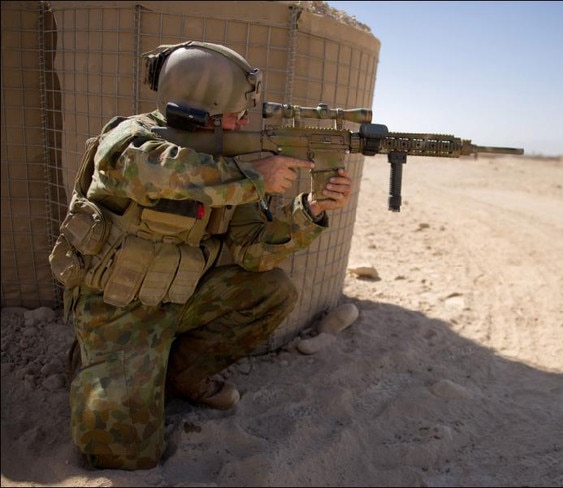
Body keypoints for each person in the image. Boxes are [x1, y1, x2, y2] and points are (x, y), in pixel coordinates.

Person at [49, 41, 353, 470]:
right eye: (234, 113)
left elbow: (252, 253)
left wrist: (312, 210)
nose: (244, 121)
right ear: (195, 110)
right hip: (116, 309)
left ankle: (180, 375)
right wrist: (253, 177)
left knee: (271, 291)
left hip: (180, 296)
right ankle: (96, 358)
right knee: (125, 456)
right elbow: (162, 172)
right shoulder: (130, 142)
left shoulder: (232, 161)